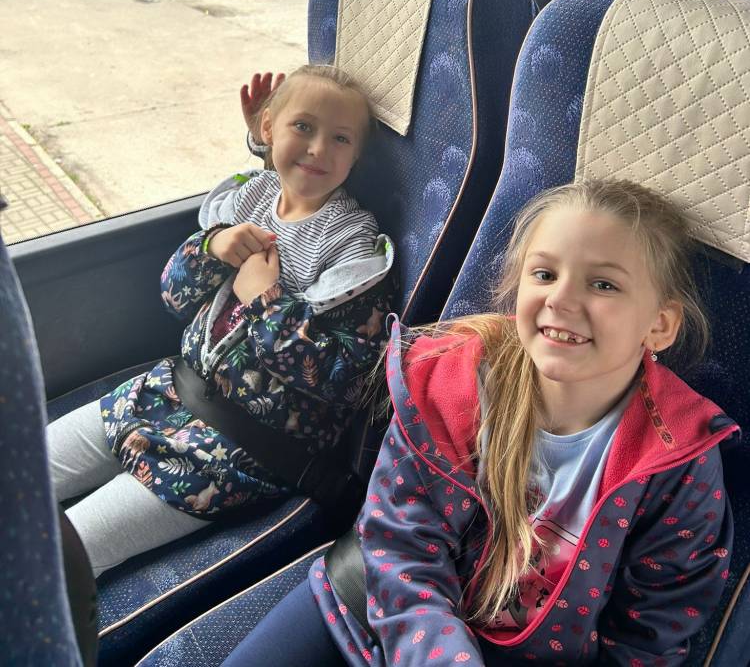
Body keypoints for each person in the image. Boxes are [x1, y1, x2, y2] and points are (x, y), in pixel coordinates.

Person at [222, 178, 737, 666]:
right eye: (544, 274)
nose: (560, 299)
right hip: (376, 607)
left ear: (659, 325)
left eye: (603, 284)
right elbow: (400, 543)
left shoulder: (677, 461)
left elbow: (651, 634)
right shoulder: (452, 383)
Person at [47, 64, 395, 577]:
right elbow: (174, 297)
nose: (319, 148)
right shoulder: (250, 198)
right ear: (268, 128)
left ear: (356, 154)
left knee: (60, 554)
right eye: (303, 127)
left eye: (340, 138)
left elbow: (348, 381)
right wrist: (211, 248)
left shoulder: (353, 249)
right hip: (165, 392)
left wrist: (265, 303)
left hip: (232, 452)